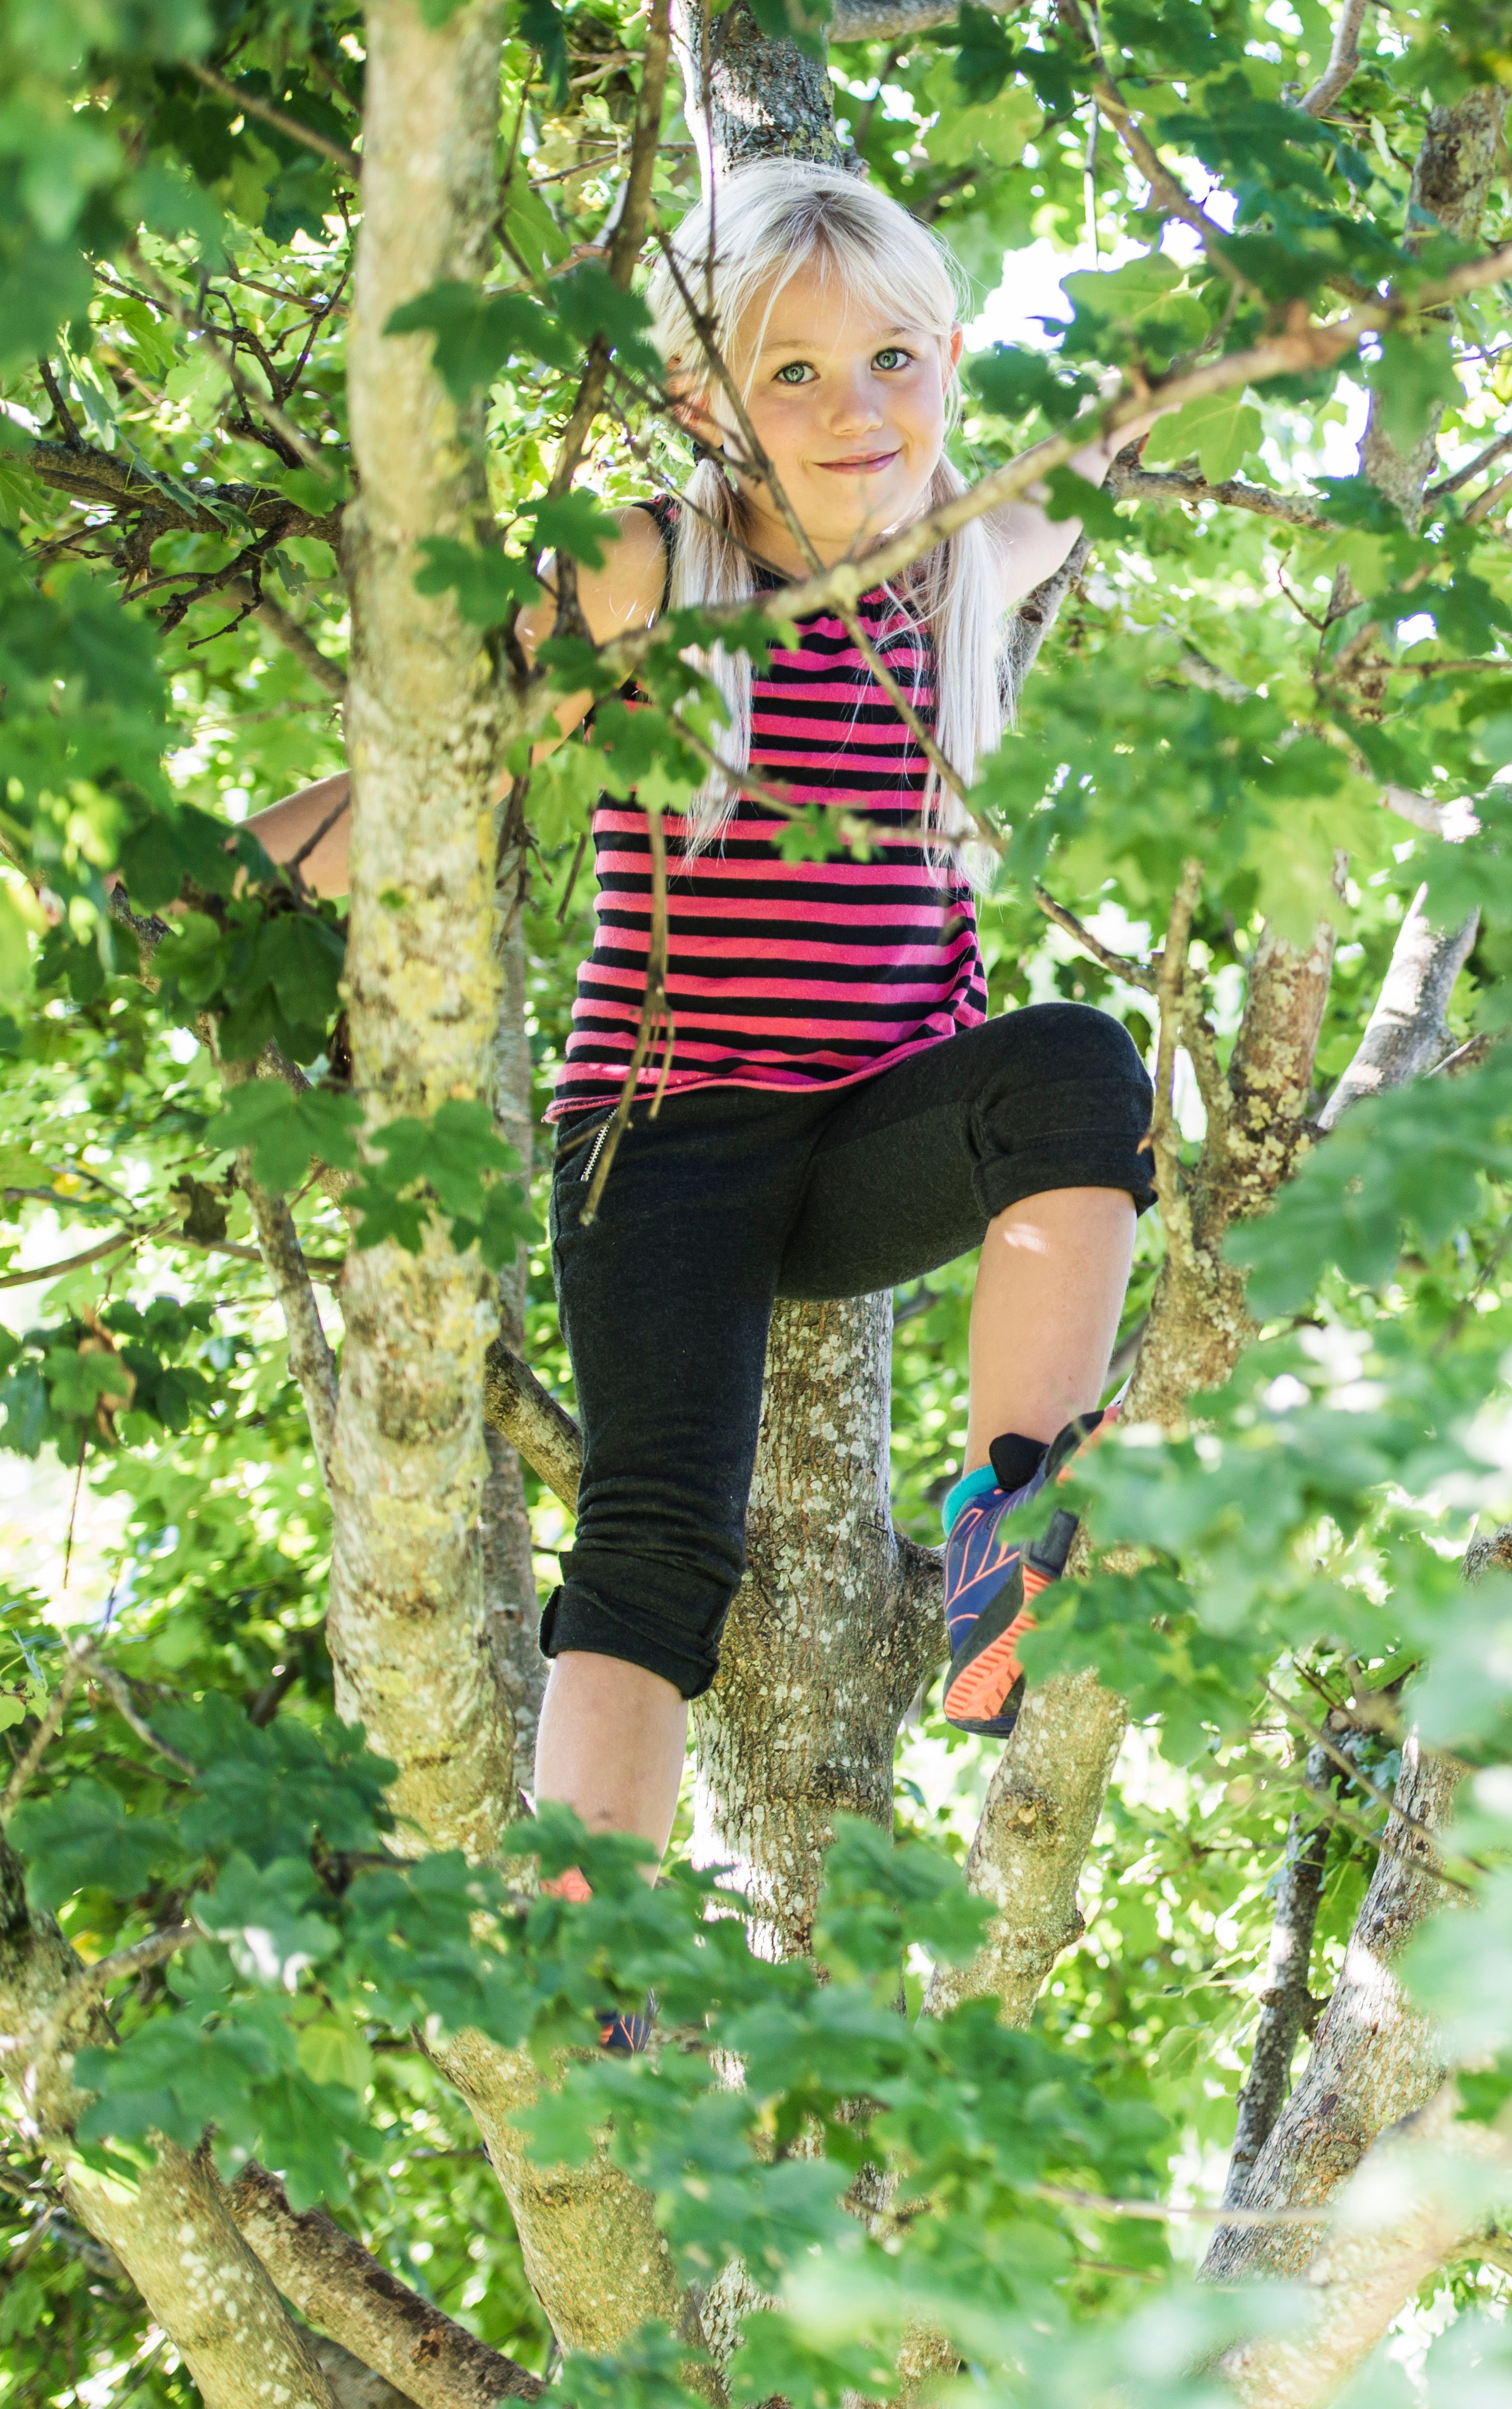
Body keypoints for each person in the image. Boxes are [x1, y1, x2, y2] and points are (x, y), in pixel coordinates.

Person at [244, 163, 1153, 1905]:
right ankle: (583, 1949)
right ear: (699, 397)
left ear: (953, 357)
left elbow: (1117, 431)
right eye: (790, 373)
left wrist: (1265, 330)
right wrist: (230, 887)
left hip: (878, 1131)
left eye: (893, 360)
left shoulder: (966, 556)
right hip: (663, 1144)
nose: (856, 410)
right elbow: (443, 771)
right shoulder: (655, 567)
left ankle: (1013, 1526)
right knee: (662, 1540)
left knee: (1077, 1071)